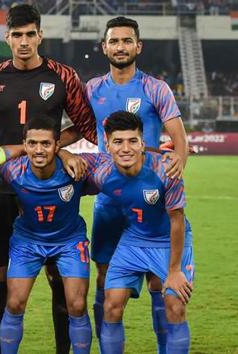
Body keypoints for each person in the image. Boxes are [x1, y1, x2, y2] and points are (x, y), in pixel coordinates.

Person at [0, 5, 97, 353]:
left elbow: (87, 127)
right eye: (17, 35)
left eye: (30, 34)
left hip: (52, 187)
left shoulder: (63, 76)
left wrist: (55, 150)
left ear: (40, 35)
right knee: (1, 272)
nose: (24, 42)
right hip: (8, 187)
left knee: (60, 278)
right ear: (7, 38)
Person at [85, 17, 189, 352]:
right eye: (114, 41)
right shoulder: (93, 88)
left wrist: (175, 169)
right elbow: (82, 128)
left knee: (160, 283)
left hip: (148, 194)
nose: (120, 47)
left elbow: (179, 139)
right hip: (109, 197)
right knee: (104, 280)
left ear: (138, 46)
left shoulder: (155, 88)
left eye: (127, 41)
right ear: (105, 47)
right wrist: (57, 147)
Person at [83, 111, 194, 354]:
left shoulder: (167, 169)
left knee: (175, 306)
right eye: (118, 142)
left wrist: (174, 271)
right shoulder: (100, 171)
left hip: (170, 240)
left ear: (142, 143)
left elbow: (177, 220)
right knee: (112, 304)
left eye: (133, 141)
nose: (126, 148)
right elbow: (61, 161)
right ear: (107, 145)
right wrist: (62, 152)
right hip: (134, 239)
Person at [0, 117, 94, 354]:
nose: (39, 150)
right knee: (14, 303)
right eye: (32, 143)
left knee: (78, 305)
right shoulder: (12, 170)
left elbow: (123, 159)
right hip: (27, 242)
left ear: (57, 145)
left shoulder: (78, 167)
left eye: (46, 144)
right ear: (24, 145)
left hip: (69, 241)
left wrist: (163, 153)